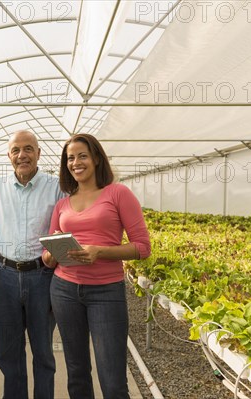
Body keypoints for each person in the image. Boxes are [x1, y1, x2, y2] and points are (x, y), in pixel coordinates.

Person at [41, 133, 151, 399]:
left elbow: (142, 248)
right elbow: (47, 254)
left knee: (112, 378)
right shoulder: (62, 203)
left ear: (97, 159)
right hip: (64, 290)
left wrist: (100, 252)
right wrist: (51, 253)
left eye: (82, 156)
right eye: (70, 158)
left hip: (105, 292)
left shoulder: (117, 193)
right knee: (77, 372)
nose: (76, 162)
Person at [0, 130, 64, 399]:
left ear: (39, 153)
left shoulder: (55, 186)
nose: (22, 155)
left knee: (43, 351)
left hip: (42, 276)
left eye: (28, 149)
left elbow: (65, 229)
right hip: (4, 275)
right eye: (16, 150)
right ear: (9, 156)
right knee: (9, 351)